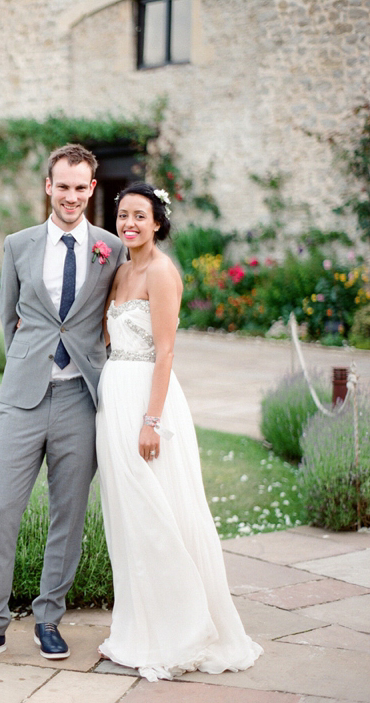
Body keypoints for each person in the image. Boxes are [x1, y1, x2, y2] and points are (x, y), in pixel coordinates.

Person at [0, 144, 125, 667]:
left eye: (81, 187)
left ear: (92, 189)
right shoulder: (18, 245)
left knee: (67, 515)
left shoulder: (111, 249)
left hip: (81, 397)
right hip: (23, 397)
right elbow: (9, 320)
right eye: (63, 186)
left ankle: (48, 618)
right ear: (48, 186)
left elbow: (115, 318)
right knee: (2, 508)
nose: (71, 196)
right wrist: (28, 366)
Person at [95, 182, 263, 681]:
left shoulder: (162, 273)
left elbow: (165, 351)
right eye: (123, 215)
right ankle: (137, 630)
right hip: (115, 396)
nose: (129, 224)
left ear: (158, 223)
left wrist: (152, 420)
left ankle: (182, 630)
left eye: (139, 216)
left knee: (159, 513)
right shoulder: (121, 269)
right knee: (128, 516)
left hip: (150, 401)